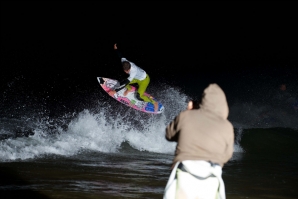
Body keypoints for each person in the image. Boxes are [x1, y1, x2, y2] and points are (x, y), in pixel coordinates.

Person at [163, 83, 234, 199]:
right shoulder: (227, 126)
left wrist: (189, 111)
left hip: (184, 173)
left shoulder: (186, 116)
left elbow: (169, 135)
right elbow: (227, 155)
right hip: (211, 177)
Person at [110, 43, 158, 112]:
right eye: (127, 71)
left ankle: (154, 103)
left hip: (144, 80)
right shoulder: (125, 62)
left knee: (138, 96)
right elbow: (120, 56)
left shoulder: (133, 71)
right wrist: (116, 49)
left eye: (128, 70)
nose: (128, 71)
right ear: (124, 69)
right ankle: (129, 89)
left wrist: (114, 91)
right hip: (136, 78)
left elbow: (126, 82)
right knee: (122, 81)